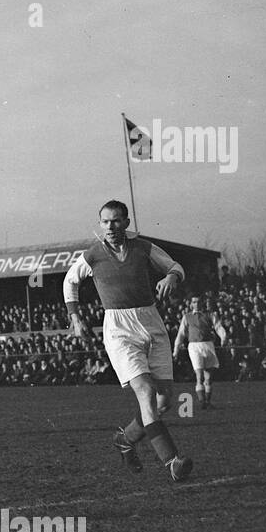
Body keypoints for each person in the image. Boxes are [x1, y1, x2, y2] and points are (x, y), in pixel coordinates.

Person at [62, 200, 192, 482]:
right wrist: (75, 317)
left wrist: (171, 276)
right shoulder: (93, 255)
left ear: (127, 223)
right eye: (105, 222)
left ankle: (124, 440)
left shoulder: (144, 249)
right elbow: (70, 281)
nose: (110, 226)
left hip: (151, 322)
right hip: (119, 328)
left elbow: (176, 267)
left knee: (163, 400)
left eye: (116, 221)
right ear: (100, 224)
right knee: (145, 391)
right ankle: (172, 461)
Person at [173, 295, 227, 410]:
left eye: (198, 301)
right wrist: (176, 349)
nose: (196, 304)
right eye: (194, 302)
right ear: (191, 304)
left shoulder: (210, 315)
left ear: (202, 303)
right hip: (194, 346)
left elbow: (218, 327)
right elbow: (181, 334)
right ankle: (202, 402)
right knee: (199, 375)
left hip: (208, 345)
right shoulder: (186, 317)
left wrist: (223, 337)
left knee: (209, 377)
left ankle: (207, 402)